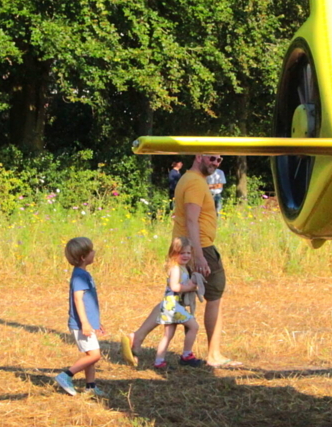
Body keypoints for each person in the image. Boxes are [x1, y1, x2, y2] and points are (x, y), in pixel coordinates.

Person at [121, 154, 239, 368]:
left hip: (189, 246)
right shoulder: (194, 182)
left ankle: (137, 337)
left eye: (219, 160)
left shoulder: (189, 179)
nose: (215, 163)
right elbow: (192, 219)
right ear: (199, 156)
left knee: (174, 300)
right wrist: (199, 254)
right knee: (215, 296)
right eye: (212, 158)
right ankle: (214, 354)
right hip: (200, 246)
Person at [56, 237, 107, 397]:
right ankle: (65, 376)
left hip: (88, 323)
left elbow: (88, 303)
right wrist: (85, 323)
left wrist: (96, 322)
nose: (94, 252)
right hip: (81, 325)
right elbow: (78, 299)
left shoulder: (84, 274)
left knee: (89, 356)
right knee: (95, 355)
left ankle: (90, 387)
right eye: (91, 250)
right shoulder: (79, 276)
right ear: (83, 257)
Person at [152, 237, 201, 370]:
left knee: (168, 334)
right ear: (173, 253)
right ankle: (187, 355)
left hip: (171, 304)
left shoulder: (182, 267)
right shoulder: (175, 269)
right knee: (194, 326)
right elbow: (174, 287)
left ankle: (159, 361)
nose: (186, 256)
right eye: (182, 253)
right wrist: (190, 287)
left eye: (188, 253)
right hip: (172, 305)